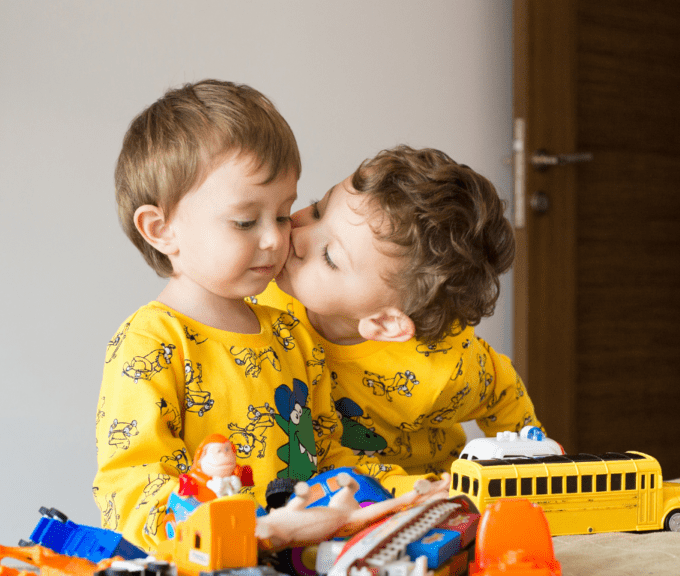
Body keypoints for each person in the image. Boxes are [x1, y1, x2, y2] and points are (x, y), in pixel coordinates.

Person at [93, 81, 441, 554]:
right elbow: (129, 494)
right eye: (245, 222)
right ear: (162, 229)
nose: (277, 240)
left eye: (281, 214)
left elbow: (331, 455)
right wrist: (246, 531)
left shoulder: (290, 332)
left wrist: (407, 493)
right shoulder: (151, 342)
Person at [255, 145, 542, 477]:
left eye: (331, 257)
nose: (298, 235)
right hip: (324, 484)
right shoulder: (263, 293)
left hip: (421, 489)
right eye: (318, 209)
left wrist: (530, 467)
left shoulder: (441, 369)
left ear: (385, 322)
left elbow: (501, 391)